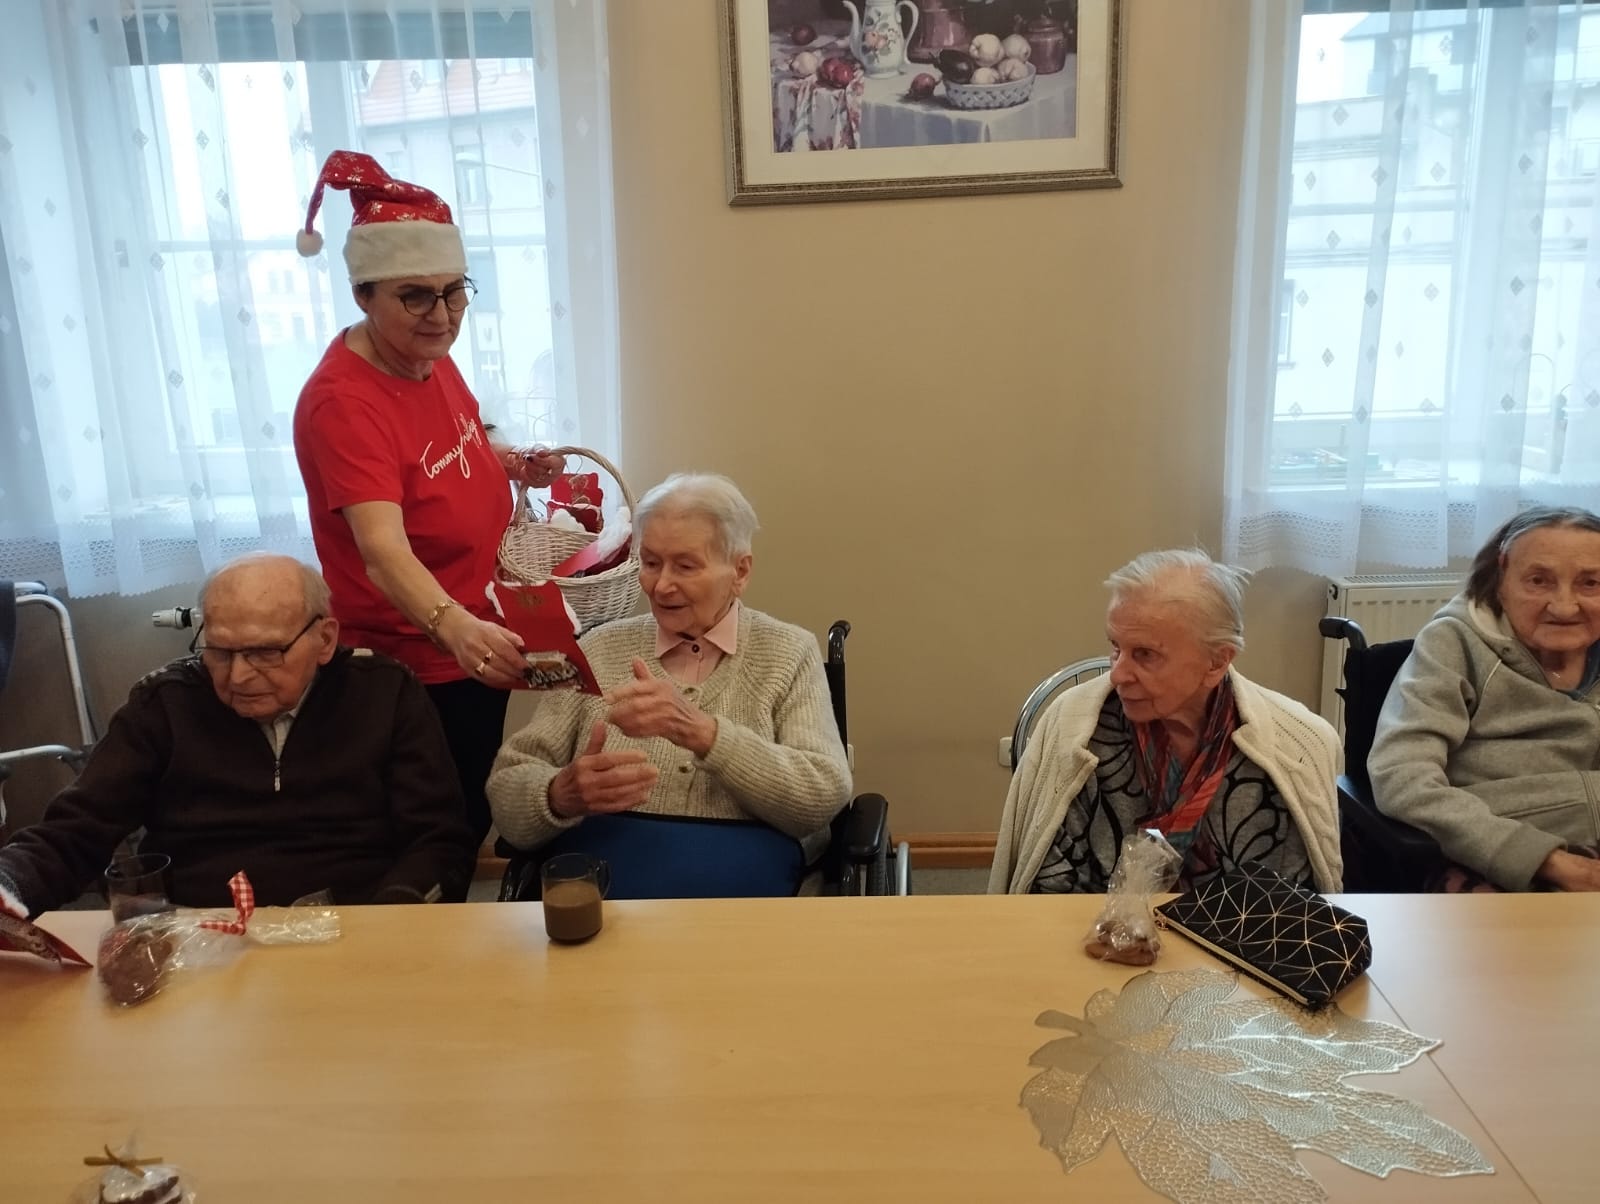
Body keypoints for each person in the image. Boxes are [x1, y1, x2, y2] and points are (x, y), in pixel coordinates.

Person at [290, 150, 564, 850]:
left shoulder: (423, 355)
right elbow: (382, 553)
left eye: (454, 292)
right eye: (415, 296)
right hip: (418, 659)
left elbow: (459, 439)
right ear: (363, 295)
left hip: (473, 633)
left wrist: (512, 461)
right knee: (438, 830)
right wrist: (455, 627)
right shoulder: (344, 403)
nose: (442, 316)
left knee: (469, 808)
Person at [0, 555, 476, 918]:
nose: (239, 676)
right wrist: (10, 884)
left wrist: (394, 915)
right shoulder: (164, 703)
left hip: (357, 925)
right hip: (199, 934)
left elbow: (439, 841)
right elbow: (75, 831)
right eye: (220, 651)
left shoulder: (385, 693)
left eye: (266, 652)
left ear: (325, 640)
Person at [486, 474, 852, 897]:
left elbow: (823, 797)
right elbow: (507, 792)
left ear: (740, 572)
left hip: (745, 905)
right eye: (651, 563)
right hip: (605, 900)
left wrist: (703, 733)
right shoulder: (598, 648)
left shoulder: (789, 652)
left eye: (685, 566)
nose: (661, 585)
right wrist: (559, 795)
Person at [989, 549, 1342, 895]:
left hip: (1240, 932)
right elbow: (1047, 892)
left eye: (1145, 654)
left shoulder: (1297, 746)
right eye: (1116, 647)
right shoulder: (1077, 733)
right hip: (1090, 929)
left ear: (1217, 662)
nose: (1118, 674)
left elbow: (1292, 904)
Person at [1370, 507, 1600, 892]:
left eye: (1590, 583)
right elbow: (1402, 778)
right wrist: (1548, 861)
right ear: (1502, 575)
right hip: (1487, 854)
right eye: (1538, 581)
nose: (1564, 606)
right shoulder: (1453, 644)